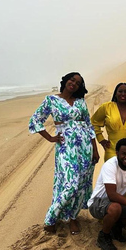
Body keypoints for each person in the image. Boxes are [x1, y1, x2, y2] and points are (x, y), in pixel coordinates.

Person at [29, 72, 99, 235]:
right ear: (65, 81)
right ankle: (51, 218)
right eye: (72, 80)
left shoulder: (81, 102)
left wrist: (95, 149)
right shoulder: (51, 100)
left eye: (78, 82)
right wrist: (51, 138)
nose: (74, 83)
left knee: (81, 183)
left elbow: (88, 126)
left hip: (85, 147)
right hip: (66, 147)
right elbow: (35, 120)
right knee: (70, 184)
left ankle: (72, 217)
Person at [91, 83, 126, 162]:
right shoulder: (106, 107)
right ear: (115, 94)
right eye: (120, 91)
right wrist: (101, 139)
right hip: (112, 151)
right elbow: (93, 123)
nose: (123, 94)